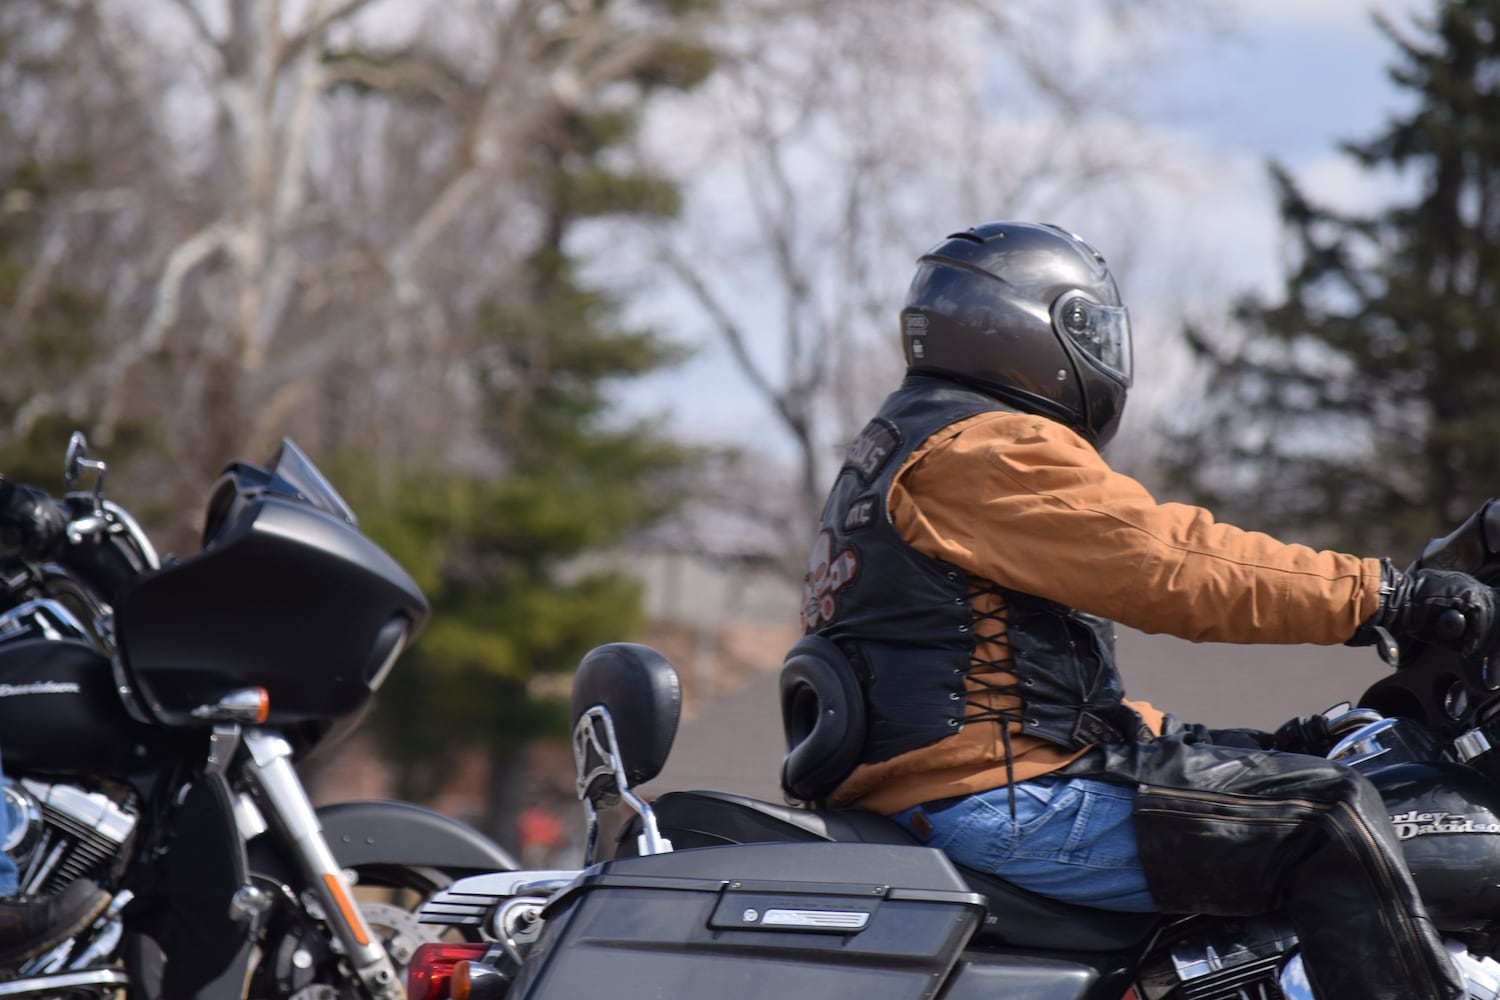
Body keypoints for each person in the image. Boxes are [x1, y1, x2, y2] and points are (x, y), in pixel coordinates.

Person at [800, 220, 1484, 1000]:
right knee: (1327, 819)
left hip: (974, 791)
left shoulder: (904, 446)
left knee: (1307, 773)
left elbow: (1040, 693)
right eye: (1088, 328)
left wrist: (1252, 742)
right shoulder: (988, 448)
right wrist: (1385, 597)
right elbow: (1172, 563)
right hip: (1004, 805)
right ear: (1036, 331)